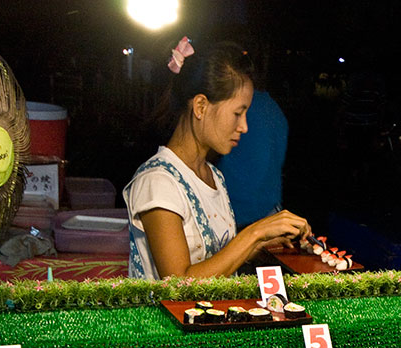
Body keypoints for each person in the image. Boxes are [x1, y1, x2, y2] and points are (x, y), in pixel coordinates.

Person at [123, 37, 310, 279]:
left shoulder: (214, 176)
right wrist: (254, 233)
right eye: (237, 113)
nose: (244, 127)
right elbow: (179, 284)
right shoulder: (158, 182)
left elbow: (213, 261)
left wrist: (261, 242)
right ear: (200, 106)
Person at [215, 89, 288, 228]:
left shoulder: (233, 103)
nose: (244, 127)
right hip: (270, 212)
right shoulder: (275, 110)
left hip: (238, 214)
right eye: (237, 114)